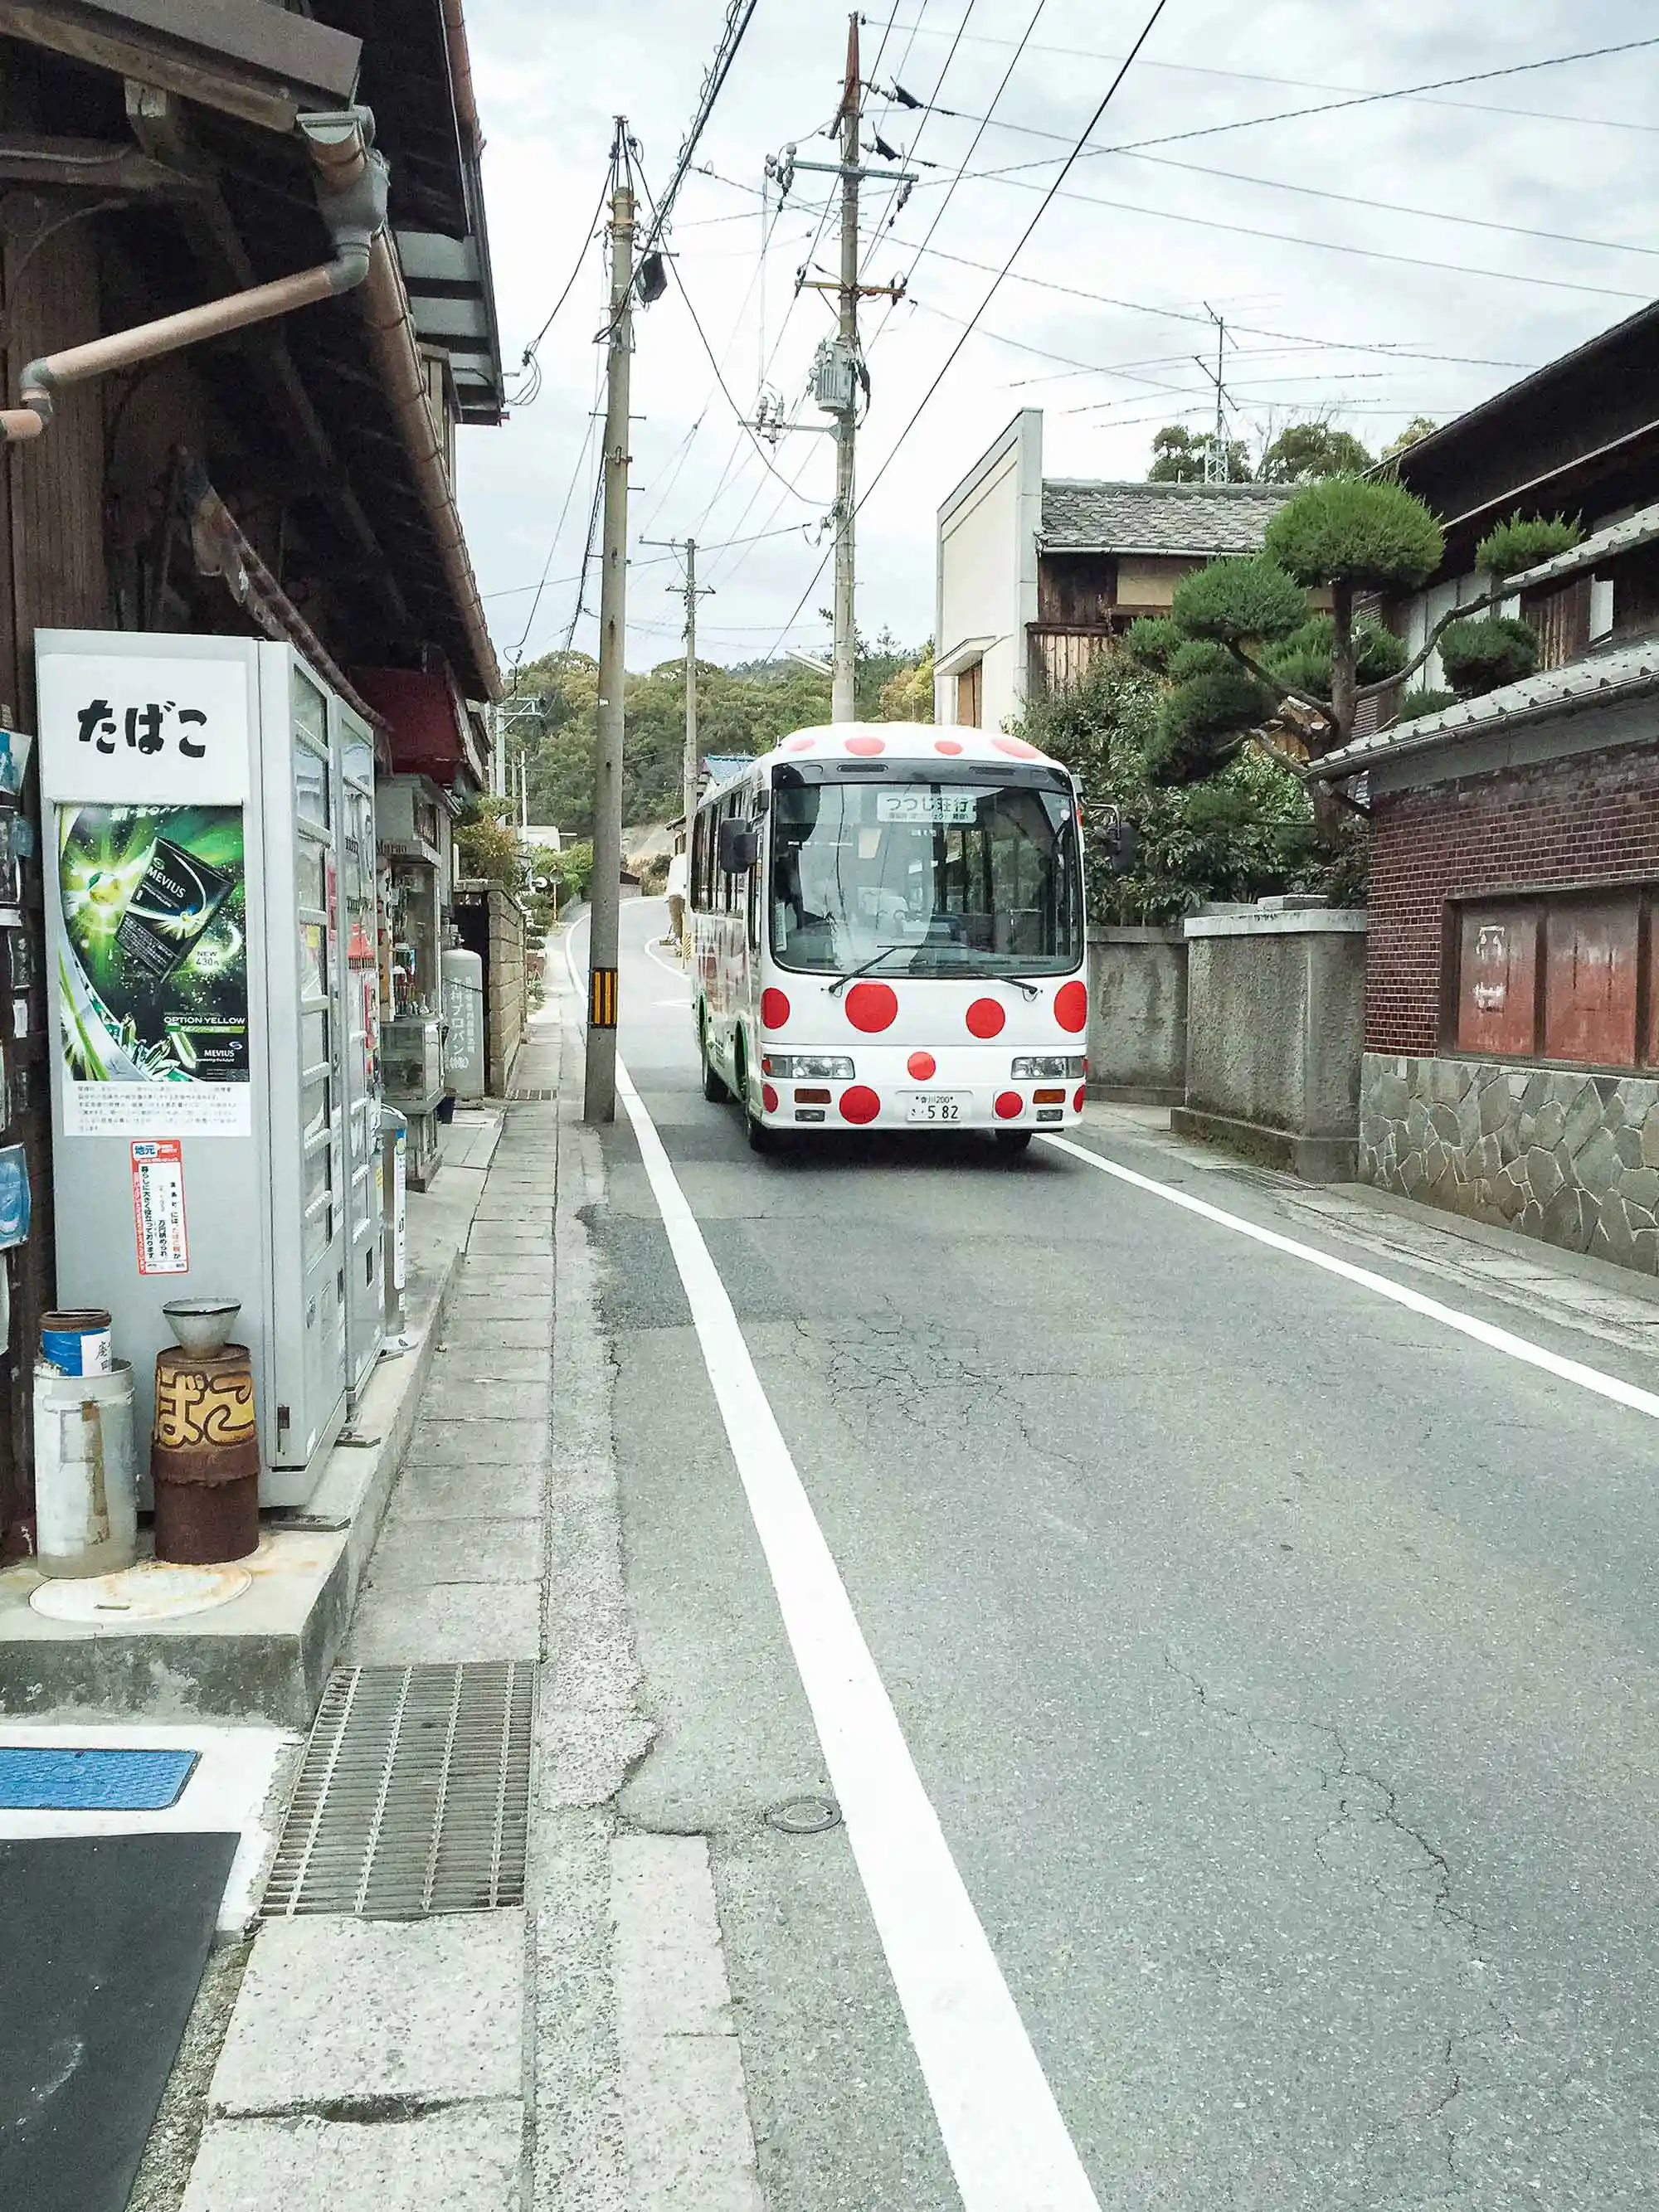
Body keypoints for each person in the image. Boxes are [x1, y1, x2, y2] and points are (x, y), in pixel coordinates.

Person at [664, 837, 688, 953]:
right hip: (685, 895)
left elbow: (671, 878)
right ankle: (684, 944)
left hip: (673, 894)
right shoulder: (690, 860)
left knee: (676, 921)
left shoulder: (675, 860)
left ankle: (679, 942)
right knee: (686, 921)